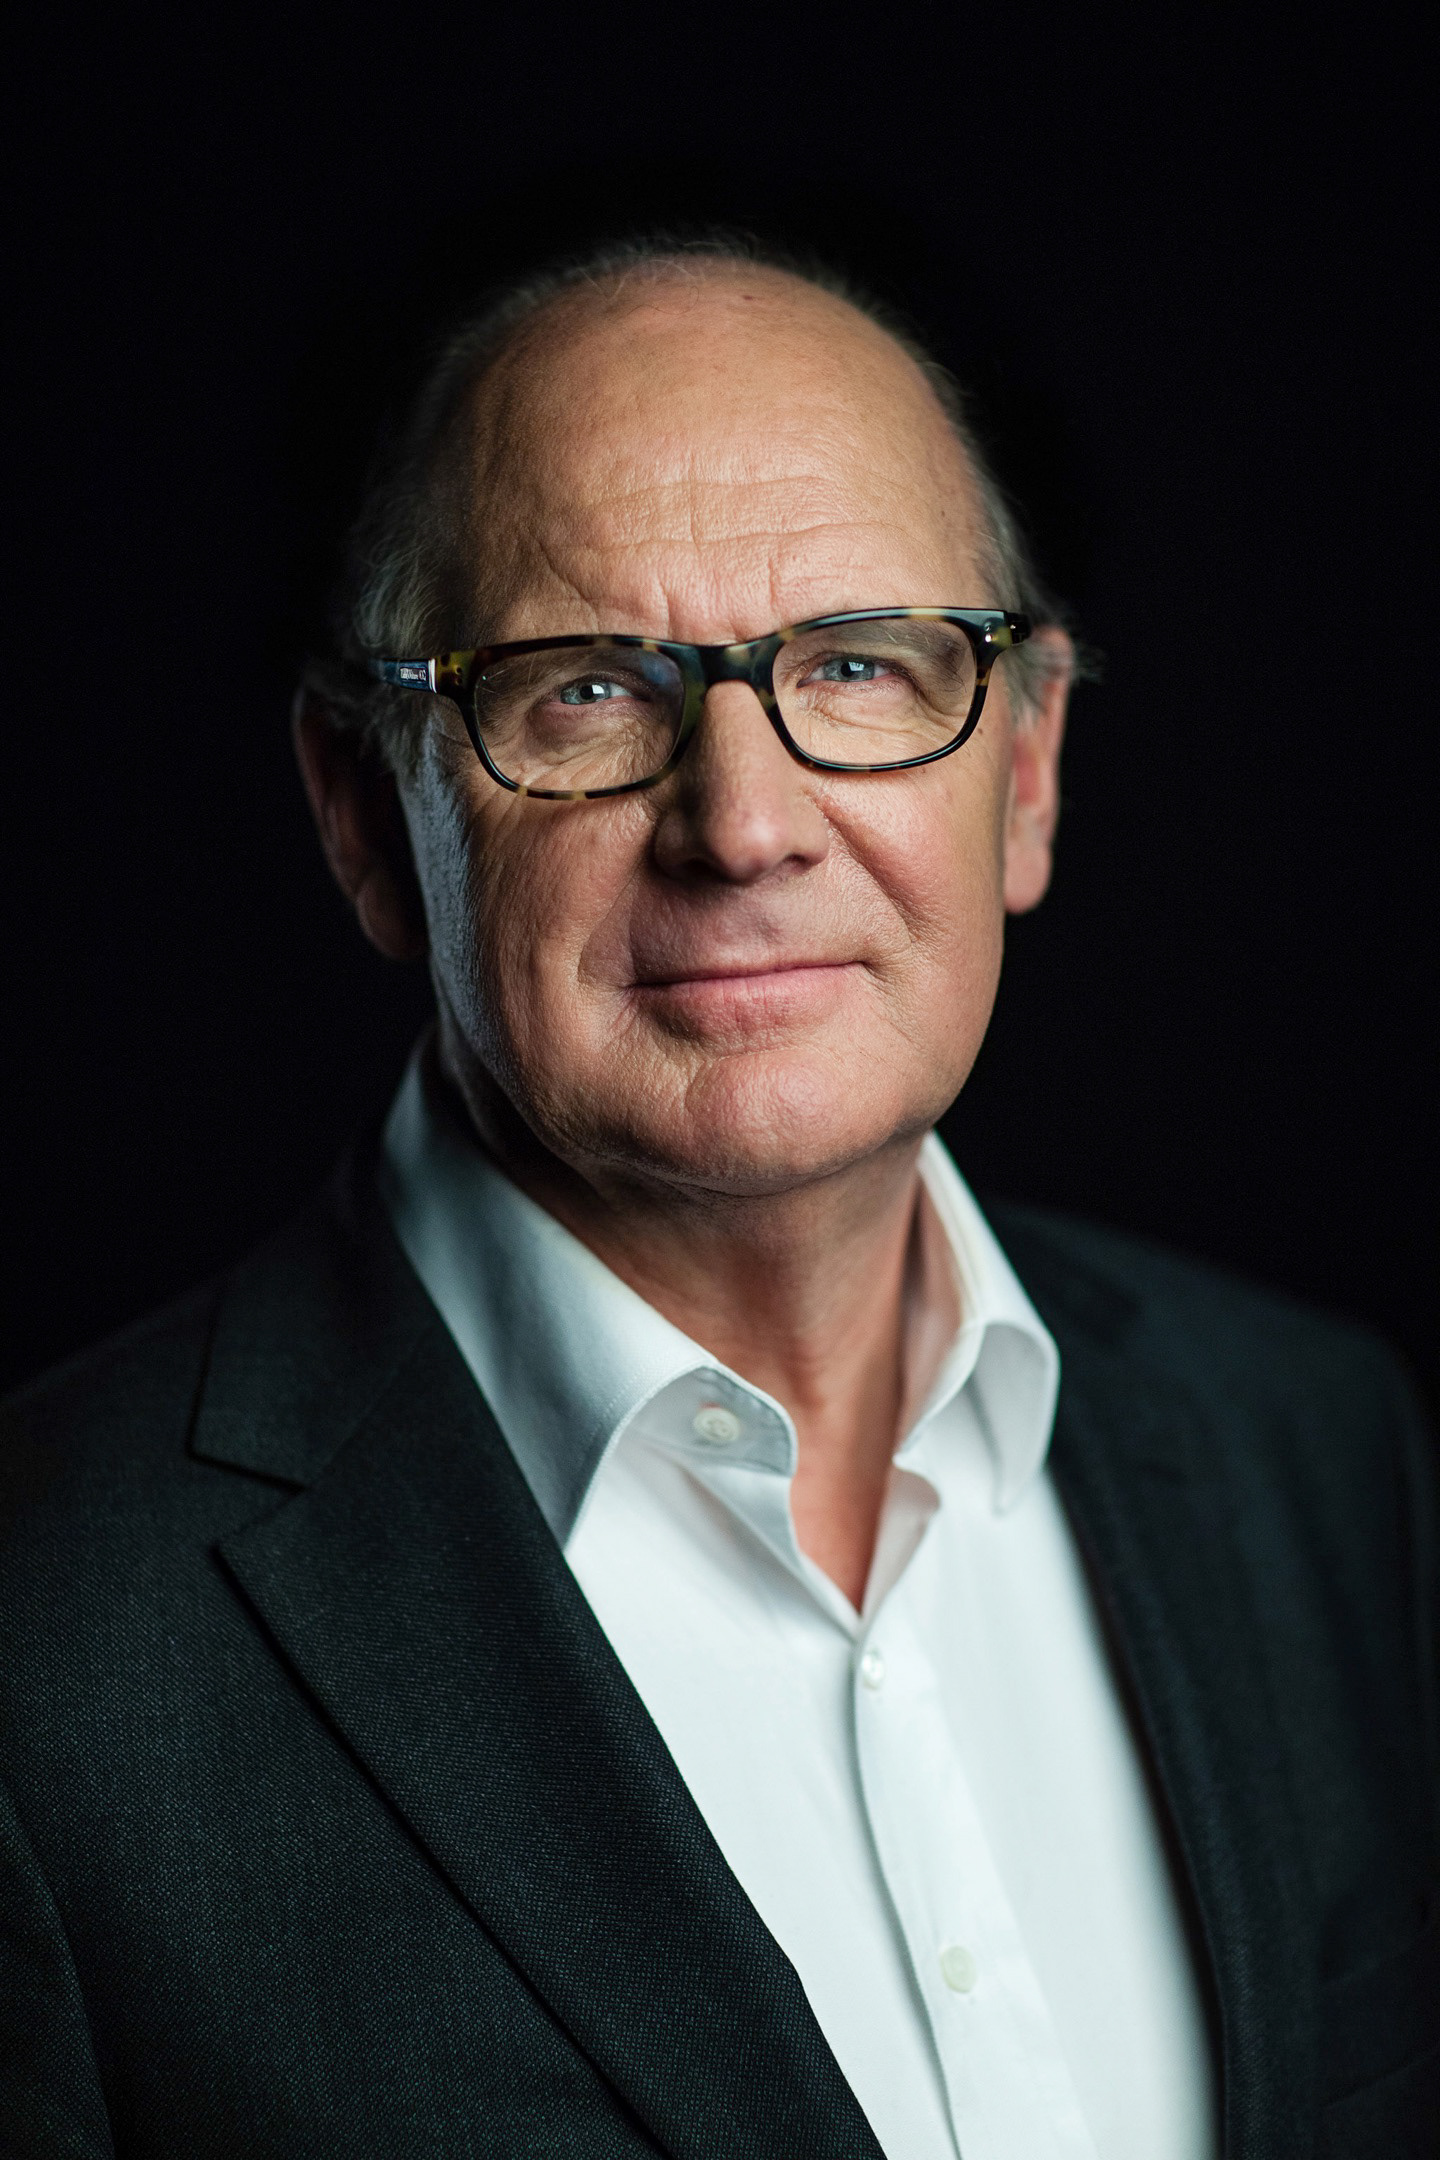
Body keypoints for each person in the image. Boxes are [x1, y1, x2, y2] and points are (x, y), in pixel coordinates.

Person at [1, 237, 1435, 2160]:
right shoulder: (47, 1654)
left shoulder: (1319, 1449)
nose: (744, 827)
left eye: (859, 664)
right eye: (588, 689)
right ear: (365, 814)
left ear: (1027, 772)